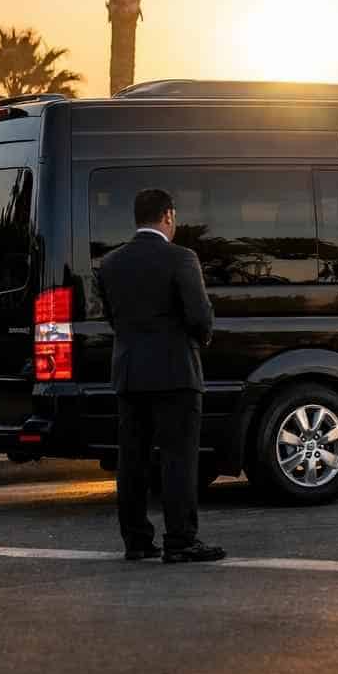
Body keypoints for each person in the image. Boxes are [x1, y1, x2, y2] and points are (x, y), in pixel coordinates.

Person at [95, 188, 226, 563]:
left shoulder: (111, 264)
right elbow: (199, 316)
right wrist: (202, 336)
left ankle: (136, 540)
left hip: (129, 373)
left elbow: (112, 317)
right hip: (175, 374)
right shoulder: (182, 258)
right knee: (177, 459)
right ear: (168, 215)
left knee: (132, 461)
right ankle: (180, 540)